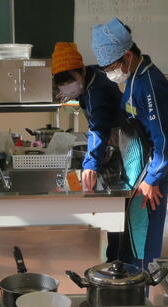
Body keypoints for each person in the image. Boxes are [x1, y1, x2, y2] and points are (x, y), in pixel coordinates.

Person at [91, 18, 168, 269]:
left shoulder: (151, 84)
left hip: (150, 173)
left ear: (127, 55)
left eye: (112, 67)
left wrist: (153, 179)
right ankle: (126, 277)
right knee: (129, 232)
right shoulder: (133, 78)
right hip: (134, 169)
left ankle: (141, 282)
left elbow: (166, 139)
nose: (111, 73)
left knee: (142, 235)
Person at [51, 41, 122, 193]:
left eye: (70, 81)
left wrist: (90, 165)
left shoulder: (97, 91)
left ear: (82, 70)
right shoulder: (90, 76)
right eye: (63, 83)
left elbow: (98, 129)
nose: (67, 86)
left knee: (112, 189)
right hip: (107, 138)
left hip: (118, 142)